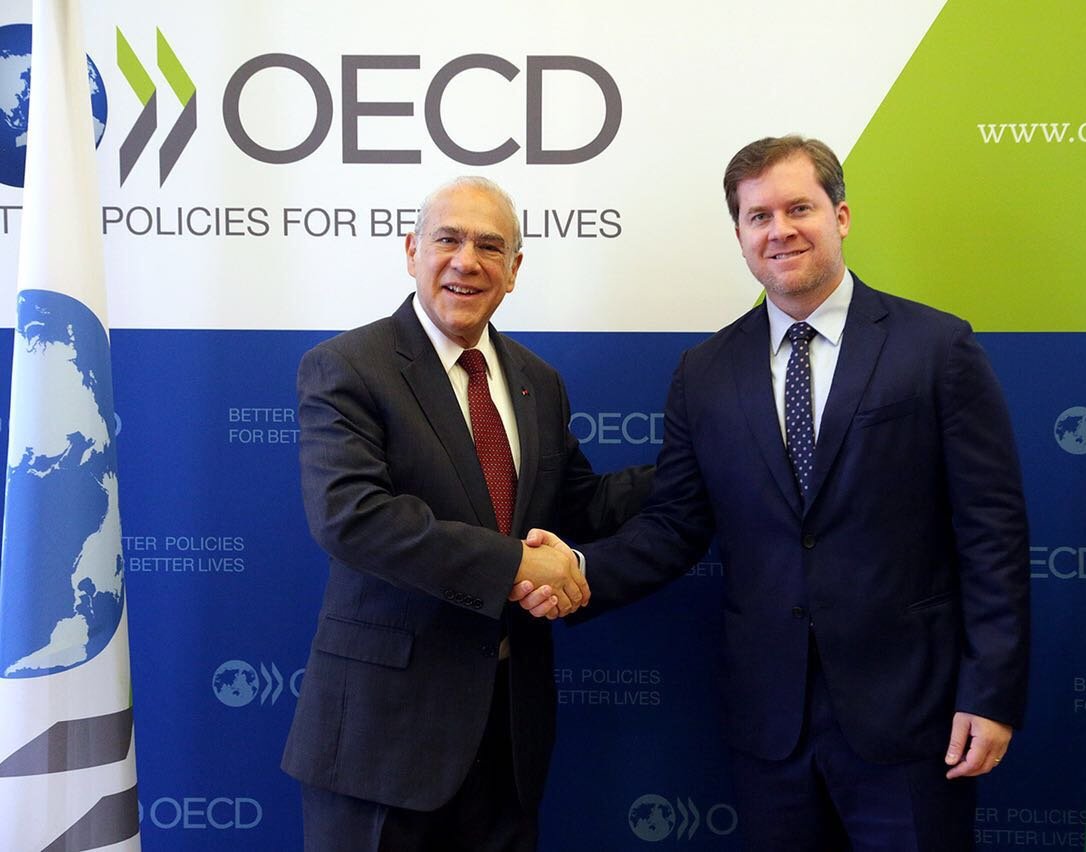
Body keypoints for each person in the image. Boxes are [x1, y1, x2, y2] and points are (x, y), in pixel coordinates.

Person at [525, 136, 1030, 850]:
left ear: (841, 216)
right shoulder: (704, 371)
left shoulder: (936, 347)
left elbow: (993, 532)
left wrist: (990, 691)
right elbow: (674, 524)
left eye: (800, 208)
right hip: (770, 722)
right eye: (758, 216)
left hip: (914, 715)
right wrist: (578, 571)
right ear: (739, 234)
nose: (780, 230)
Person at [281, 175, 651, 852]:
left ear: (514, 269)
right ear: (411, 251)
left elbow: (580, 504)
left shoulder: (538, 381)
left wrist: (701, 464)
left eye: (489, 246)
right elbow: (351, 517)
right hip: (382, 742)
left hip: (508, 735)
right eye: (448, 239)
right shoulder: (346, 367)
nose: (466, 261)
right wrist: (517, 566)